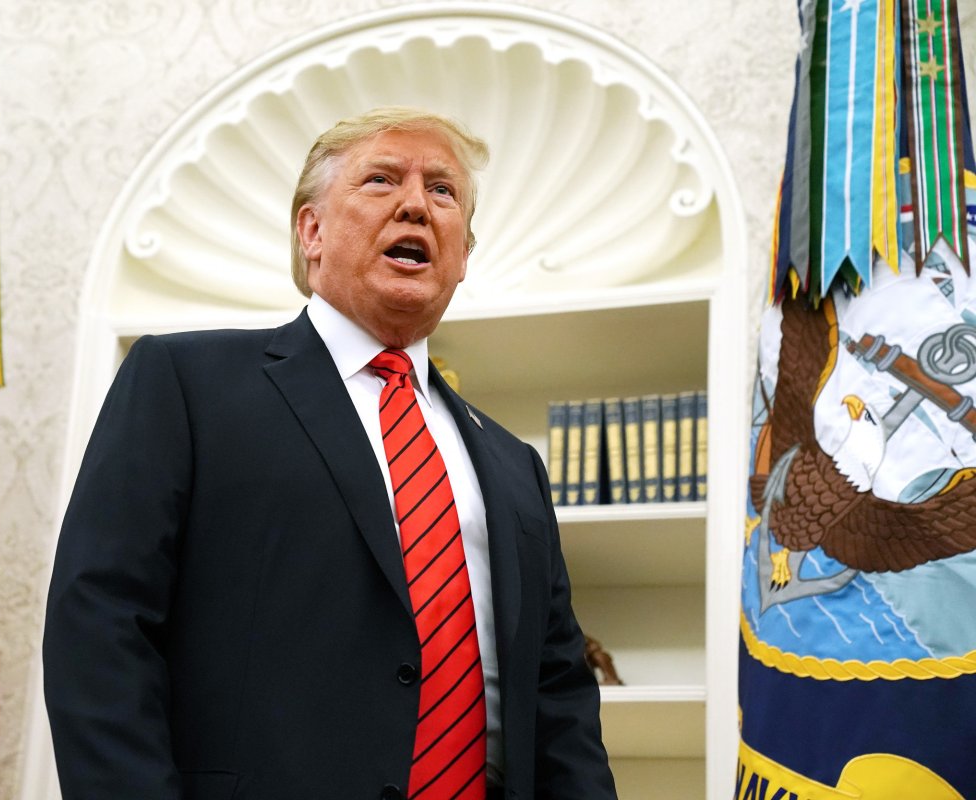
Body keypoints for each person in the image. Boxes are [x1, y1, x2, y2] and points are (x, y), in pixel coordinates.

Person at [43, 106, 617, 800]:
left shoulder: (514, 465)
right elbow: (99, 628)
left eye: (443, 191)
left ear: (464, 255)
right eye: (381, 180)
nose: (416, 204)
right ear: (311, 231)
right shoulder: (186, 385)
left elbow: (558, 695)